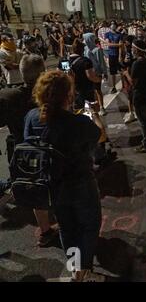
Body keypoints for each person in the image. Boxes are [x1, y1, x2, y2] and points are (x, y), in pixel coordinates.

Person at [25, 70, 105, 282]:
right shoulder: (77, 122)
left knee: (67, 229)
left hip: (53, 185)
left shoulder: (32, 118)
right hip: (81, 183)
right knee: (89, 225)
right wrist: (95, 114)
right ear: (67, 96)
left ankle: (74, 270)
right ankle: (84, 272)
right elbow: (101, 135)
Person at [0, 54, 59, 247]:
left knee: (35, 193)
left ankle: (45, 231)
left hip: (23, 155)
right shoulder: (50, 93)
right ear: (42, 72)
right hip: (52, 152)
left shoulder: (9, 97)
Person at [130, 39, 146, 153]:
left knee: (143, 121)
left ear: (136, 49)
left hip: (140, 95)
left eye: (132, 47)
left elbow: (133, 83)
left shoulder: (137, 64)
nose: (131, 49)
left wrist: (126, 74)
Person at [83, 32, 108, 115]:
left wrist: (104, 72)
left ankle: (102, 107)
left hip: (97, 72)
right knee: (92, 91)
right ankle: (95, 106)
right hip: (88, 72)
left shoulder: (97, 50)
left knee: (98, 90)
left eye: (85, 39)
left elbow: (101, 62)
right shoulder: (85, 48)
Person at [103, 23, 123, 93]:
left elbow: (120, 46)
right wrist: (118, 44)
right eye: (111, 24)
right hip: (111, 54)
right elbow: (108, 44)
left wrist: (120, 55)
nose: (113, 25)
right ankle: (114, 86)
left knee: (121, 71)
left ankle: (123, 85)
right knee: (112, 72)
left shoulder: (119, 34)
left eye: (114, 24)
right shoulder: (107, 34)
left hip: (118, 54)